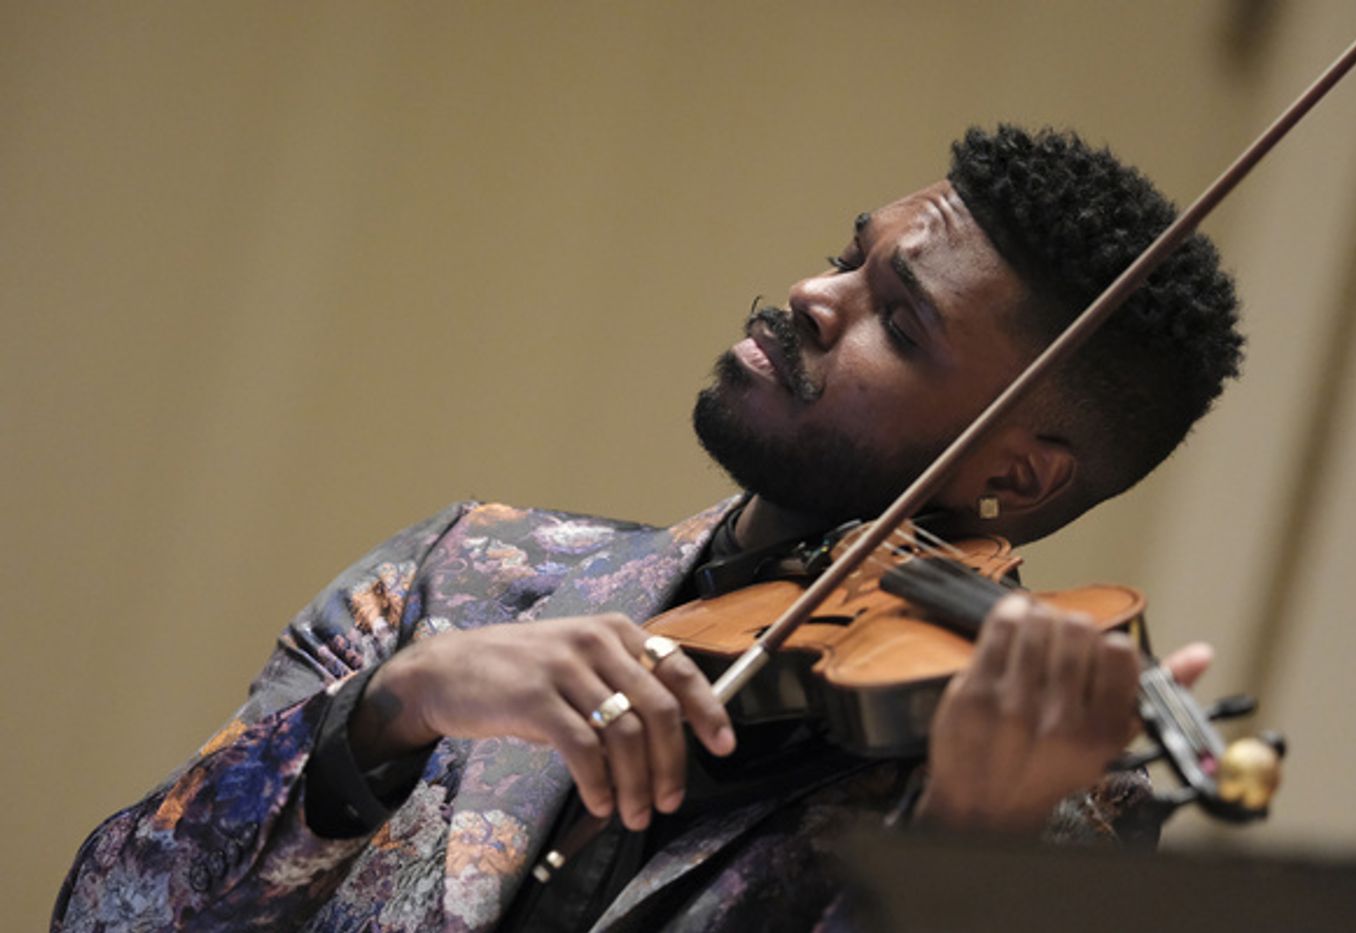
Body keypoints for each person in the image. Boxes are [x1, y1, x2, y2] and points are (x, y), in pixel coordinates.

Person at [53, 124, 1241, 932]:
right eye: (845, 258)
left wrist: (972, 844)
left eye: (897, 317)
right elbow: (109, 910)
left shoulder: (1058, 818)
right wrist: (389, 715)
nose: (812, 298)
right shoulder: (465, 571)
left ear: (1018, 473)